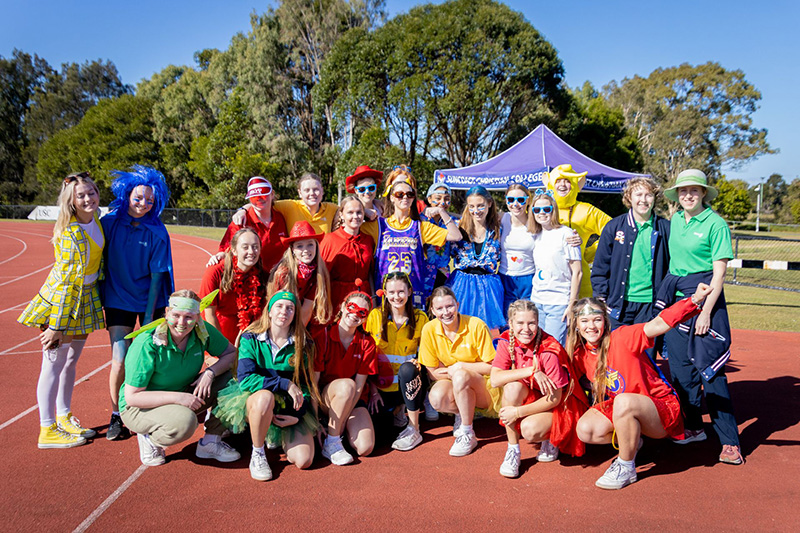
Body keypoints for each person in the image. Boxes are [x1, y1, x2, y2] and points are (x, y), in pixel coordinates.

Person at [570, 283, 714, 489]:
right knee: (586, 430)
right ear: (577, 325)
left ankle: (626, 466)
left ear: (605, 322)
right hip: (625, 408)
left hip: (661, 409)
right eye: (584, 321)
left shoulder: (623, 337)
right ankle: (633, 441)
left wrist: (694, 300)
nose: (590, 326)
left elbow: (658, 324)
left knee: (623, 400)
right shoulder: (579, 355)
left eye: (596, 320)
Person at [657, 169, 743, 465]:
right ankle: (693, 427)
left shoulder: (716, 224)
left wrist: (706, 311)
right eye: (683, 191)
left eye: (694, 190)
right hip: (677, 300)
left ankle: (730, 442)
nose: (688, 195)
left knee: (712, 372)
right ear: (677, 196)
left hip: (706, 298)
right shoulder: (675, 221)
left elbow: (719, 274)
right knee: (681, 371)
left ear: (704, 193)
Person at [18, 172, 105, 449]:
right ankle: (47, 429)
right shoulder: (70, 234)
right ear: (71, 201)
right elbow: (67, 283)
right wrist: (56, 325)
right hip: (63, 305)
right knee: (52, 365)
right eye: (80, 195)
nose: (87, 198)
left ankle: (64, 415)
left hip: (85, 299)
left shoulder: (96, 221)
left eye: (91, 192)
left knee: (70, 363)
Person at [119, 290, 240, 466]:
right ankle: (151, 439)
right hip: (139, 406)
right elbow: (133, 396)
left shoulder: (202, 332)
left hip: (183, 390)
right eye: (176, 315)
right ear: (167, 312)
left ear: (198, 317)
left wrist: (210, 372)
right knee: (186, 422)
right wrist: (180, 398)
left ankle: (210, 442)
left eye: (189, 317)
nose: (182, 323)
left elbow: (231, 354)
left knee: (234, 380)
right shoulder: (146, 343)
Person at [100, 165, 174, 441]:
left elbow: (157, 278)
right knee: (119, 358)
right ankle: (117, 415)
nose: (144, 204)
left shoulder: (157, 231)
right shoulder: (108, 224)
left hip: (149, 300)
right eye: (139, 198)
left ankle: (147, 409)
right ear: (127, 193)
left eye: (150, 200)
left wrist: (146, 321)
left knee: (147, 357)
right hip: (118, 298)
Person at [214, 291, 320, 481]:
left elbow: (305, 386)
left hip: (287, 407)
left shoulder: (303, 344)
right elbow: (245, 379)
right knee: (265, 397)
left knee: (304, 460)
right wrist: (284, 382)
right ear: (269, 311)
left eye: (290, 308)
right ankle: (258, 453)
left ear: (295, 314)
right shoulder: (251, 338)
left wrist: (297, 415)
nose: (284, 312)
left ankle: (278, 435)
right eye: (278, 306)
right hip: (257, 400)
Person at [490, 300, 588, 478]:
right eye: (520, 323)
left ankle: (551, 438)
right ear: (511, 324)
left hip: (562, 405)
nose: (526, 329)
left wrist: (517, 412)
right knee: (512, 388)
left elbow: (556, 398)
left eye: (531, 323)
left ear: (538, 322)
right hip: (534, 394)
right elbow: (495, 379)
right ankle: (513, 450)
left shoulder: (548, 350)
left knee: (529, 430)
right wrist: (531, 371)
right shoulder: (507, 340)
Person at [418, 286, 502, 457]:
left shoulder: (476, 325)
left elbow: (491, 366)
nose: (446, 312)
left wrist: (461, 367)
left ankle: (467, 432)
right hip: (454, 381)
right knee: (436, 397)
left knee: (461, 375)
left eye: (450, 306)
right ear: (432, 311)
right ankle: (462, 413)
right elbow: (433, 372)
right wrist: (454, 371)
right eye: (440, 308)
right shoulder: (429, 329)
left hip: (482, 386)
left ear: (457, 304)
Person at [365, 166, 461, 308]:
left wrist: (441, 211)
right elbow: (349, 225)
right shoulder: (379, 225)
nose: (405, 197)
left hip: (412, 295)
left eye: (409, 195)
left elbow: (456, 235)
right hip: (387, 296)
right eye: (399, 194)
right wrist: (364, 210)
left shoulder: (419, 226)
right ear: (391, 197)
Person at [591, 177, 670, 334]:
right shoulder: (613, 227)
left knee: (645, 356)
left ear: (655, 198)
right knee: (617, 355)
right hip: (618, 305)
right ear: (629, 197)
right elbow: (600, 267)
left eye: (648, 195)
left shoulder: (666, 228)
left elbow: (673, 268)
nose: (643, 200)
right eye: (638, 195)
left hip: (651, 306)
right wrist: (601, 297)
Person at [364, 272, 429, 451]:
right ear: (384, 293)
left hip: (408, 386)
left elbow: (425, 355)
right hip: (382, 389)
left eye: (401, 292)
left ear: (409, 292)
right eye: (391, 292)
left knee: (409, 368)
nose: (396, 297)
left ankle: (413, 426)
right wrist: (374, 391)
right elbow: (367, 357)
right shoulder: (375, 316)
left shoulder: (421, 318)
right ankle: (395, 411)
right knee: (380, 437)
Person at [314, 289, 378, 465]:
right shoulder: (323, 336)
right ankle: (332, 442)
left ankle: (335, 432)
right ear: (343, 306)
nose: (355, 314)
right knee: (346, 385)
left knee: (365, 448)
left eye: (362, 312)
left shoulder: (367, 342)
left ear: (365, 318)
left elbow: (359, 386)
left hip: (353, 399)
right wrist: (313, 418)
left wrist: (342, 419)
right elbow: (314, 383)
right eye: (352, 307)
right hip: (327, 398)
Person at [545, 164, 611, 298]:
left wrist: (589, 253)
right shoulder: (542, 209)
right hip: (548, 283)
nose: (562, 185)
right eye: (558, 181)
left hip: (582, 283)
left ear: (576, 184)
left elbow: (615, 231)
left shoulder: (585, 211)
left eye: (567, 181)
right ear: (550, 184)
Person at [447, 185, 505, 331]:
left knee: (485, 331)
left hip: (488, 285)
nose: (476, 210)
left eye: (480, 205)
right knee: (460, 328)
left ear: (489, 204)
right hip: (462, 283)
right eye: (471, 206)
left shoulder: (499, 228)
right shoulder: (458, 227)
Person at [528, 192, 582, 345]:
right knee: (537, 347)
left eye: (546, 209)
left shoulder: (567, 234)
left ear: (553, 209)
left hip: (558, 302)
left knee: (553, 349)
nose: (542, 213)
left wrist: (572, 303)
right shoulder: (534, 235)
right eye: (537, 210)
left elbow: (577, 272)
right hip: (537, 301)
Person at [207, 176, 288, 273]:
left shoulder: (282, 217)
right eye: (254, 197)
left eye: (264, 195)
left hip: (279, 277)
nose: (259, 199)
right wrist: (218, 256)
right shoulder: (241, 221)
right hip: (252, 279)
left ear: (272, 194)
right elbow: (225, 249)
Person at [200, 228, 265, 343]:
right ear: (234, 250)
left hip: (248, 337)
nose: (251, 251)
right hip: (217, 334)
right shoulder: (215, 272)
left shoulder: (262, 275)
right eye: (245, 247)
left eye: (255, 247)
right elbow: (209, 314)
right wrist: (223, 348)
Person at [268, 221, 332, 326]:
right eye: (300, 246)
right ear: (292, 249)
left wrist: (298, 334)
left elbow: (307, 309)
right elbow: (277, 310)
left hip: (302, 323)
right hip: (280, 322)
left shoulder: (318, 272)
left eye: (310, 244)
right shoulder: (283, 273)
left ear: (316, 246)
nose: (306, 250)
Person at [233, 172, 339, 234]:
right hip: (297, 266)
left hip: (323, 264)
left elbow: (350, 207)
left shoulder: (332, 208)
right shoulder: (289, 206)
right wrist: (242, 210)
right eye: (307, 190)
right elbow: (264, 201)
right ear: (300, 193)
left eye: (316, 189)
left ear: (322, 191)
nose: (312, 193)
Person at [320, 195, 375, 312]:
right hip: (338, 301)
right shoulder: (330, 240)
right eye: (350, 212)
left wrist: (373, 300)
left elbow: (370, 273)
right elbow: (321, 276)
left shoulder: (368, 240)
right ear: (341, 214)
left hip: (364, 299)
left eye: (359, 212)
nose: (355, 216)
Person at [498, 184, 536, 316]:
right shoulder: (502, 218)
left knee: (528, 319)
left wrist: (572, 236)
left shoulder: (536, 220)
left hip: (529, 279)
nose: (515, 204)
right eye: (511, 200)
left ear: (528, 200)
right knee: (508, 321)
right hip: (505, 278)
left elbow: (556, 229)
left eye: (520, 200)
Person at [421, 182, 458, 296]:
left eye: (447, 199)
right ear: (429, 198)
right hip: (422, 273)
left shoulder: (453, 222)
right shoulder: (420, 220)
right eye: (438, 198)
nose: (443, 202)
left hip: (443, 273)